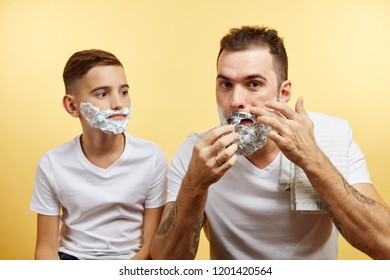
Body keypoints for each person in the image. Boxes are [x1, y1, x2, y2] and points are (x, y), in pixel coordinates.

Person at [150, 26, 390, 260]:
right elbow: (165, 264)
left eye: (253, 84)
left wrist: (313, 160)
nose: (235, 101)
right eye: (226, 85)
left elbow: (386, 246)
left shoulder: (329, 138)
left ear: (283, 93)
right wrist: (195, 185)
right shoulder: (197, 152)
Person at [30, 49, 167, 260]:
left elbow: (152, 245)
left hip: (131, 263)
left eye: (123, 92)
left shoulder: (151, 157)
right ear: (72, 105)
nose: (118, 104)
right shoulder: (52, 164)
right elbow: (46, 248)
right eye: (102, 94)